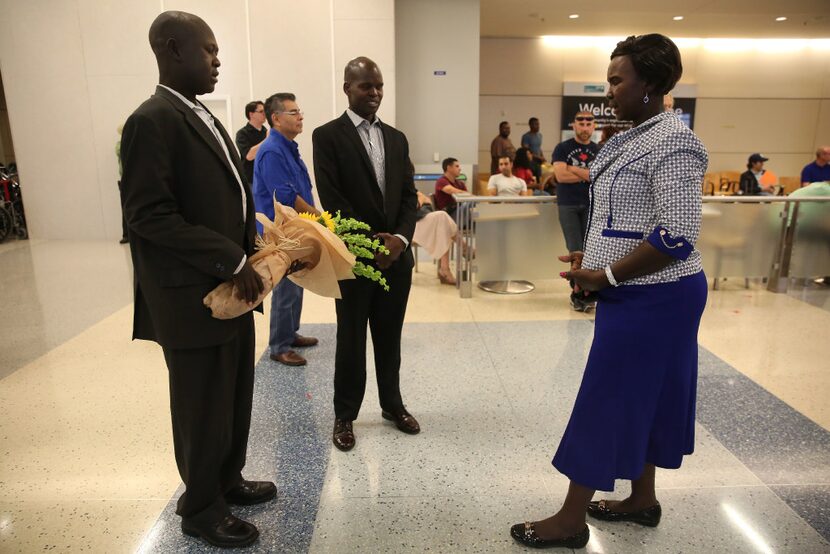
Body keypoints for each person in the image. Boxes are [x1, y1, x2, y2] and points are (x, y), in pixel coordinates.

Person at [511, 34, 708, 549]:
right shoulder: (626, 138)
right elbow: (622, 216)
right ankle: (642, 500)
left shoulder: (674, 141)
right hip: (635, 290)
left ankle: (571, 519)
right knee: (647, 393)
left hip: (658, 295)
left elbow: (677, 234)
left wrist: (608, 275)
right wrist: (592, 258)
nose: (609, 89)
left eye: (618, 80)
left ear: (652, 84)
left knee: (607, 397)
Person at [120, 11, 275, 548]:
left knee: (234, 393)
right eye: (208, 50)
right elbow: (148, 215)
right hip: (191, 296)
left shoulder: (200, 115)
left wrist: (256, 251)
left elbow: (225, 198)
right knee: (201, 404)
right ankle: (200, 507)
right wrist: (230, 259)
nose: (217, 60)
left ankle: (226, 479)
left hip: (231, 289)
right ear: (172, 49)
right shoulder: (152, 120)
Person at [312, 56, 420, 452]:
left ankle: (392, 405)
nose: (374, 93)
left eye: (378, 86)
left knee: (390, 338)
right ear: (347, 88)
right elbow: (332, 199)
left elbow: (409, 198)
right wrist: (372, 245)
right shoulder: (327, 137)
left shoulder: (397, 138)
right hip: (354, 259)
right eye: (365, 87)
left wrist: (401, 241)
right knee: (351, 338)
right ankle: (345, 414)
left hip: (398, 259)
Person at [253, 92, 319, 367]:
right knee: (286, 285)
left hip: (296, 227)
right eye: (293, 112)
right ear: (276, 119)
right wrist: (321, 219)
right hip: (280, 231)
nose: (300, 116)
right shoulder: (271, 151)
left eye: (299, 110)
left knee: (298, 279)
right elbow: (286, 196)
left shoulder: (289, 147)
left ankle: (290, 333)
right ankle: (279, 346)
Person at [552, 111, 600, 312]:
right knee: (575, 251)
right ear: (574, 126)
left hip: (592, 205)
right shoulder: (563, 148)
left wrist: (574, 169)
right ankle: (577, 292)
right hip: (568, 205)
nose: (585, 126)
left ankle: (589, 292)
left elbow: (598, 177)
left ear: (594, 126)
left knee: (591, 251)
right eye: (581, 122)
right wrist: (587, 174)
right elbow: (561, 176)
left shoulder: (599, 150)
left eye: (589, 123)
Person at [413, 190, 458, 285]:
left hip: (422, 220)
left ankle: (445, 269)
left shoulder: (408, 186)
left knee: (442, 223)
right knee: (442, 217)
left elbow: (426, 200)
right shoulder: (392, 189)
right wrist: (421, 201)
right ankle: (463, 248)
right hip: (410, 226)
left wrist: (421, 200)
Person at [235, 100, 267, 185]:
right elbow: (249, 155)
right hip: (251, 180)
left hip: (267, 178)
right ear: (251, 114)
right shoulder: (242, 134)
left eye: (265, 111)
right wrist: (267, 140)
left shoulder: (266, 132)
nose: (265, 113)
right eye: (261, 111)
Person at [521, 117, 546, 181]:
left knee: (539, 180)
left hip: (538, 163)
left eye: (538, 124)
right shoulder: (526, 137)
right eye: (536, 124)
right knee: (531, 181)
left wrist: (542, 156)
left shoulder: (540, 135)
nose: (538, 126)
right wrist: (538, 157)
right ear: (530, 125)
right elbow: (526, 151)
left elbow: (539, 148)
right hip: (530, 163)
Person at [116, 124, 128, 244]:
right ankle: (126, 234)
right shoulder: (119, 145)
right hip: (124, 180)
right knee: (125, 207)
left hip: (130, 179)